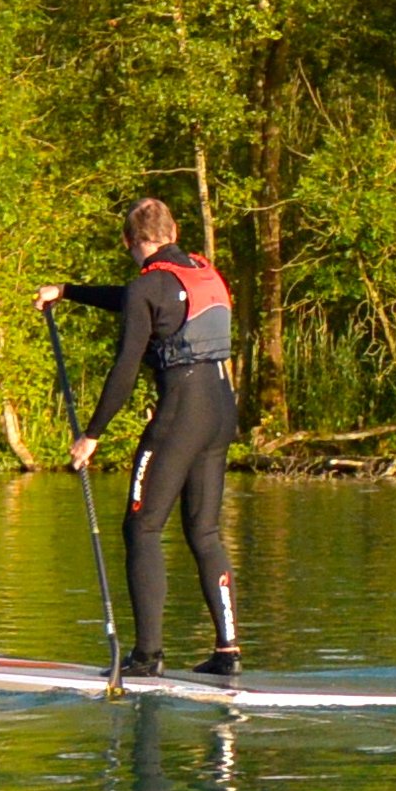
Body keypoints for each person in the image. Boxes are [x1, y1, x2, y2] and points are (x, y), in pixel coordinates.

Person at [35, 198, 243, 678]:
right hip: (221, 407)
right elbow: (138, 298)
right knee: (204, 531)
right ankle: (227, 652)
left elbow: (126, 365)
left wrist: (92, 434)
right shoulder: (205, 272)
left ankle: (147, 656)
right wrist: (68, 291)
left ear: (131, 242)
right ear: (173, 231)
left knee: (142, 527)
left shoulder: (146, 285)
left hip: (181, 411)